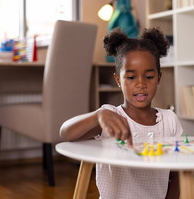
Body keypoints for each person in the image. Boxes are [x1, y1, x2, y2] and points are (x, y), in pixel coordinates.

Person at [60, 27, 183, 199]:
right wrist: (98, 115)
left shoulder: (169, 120)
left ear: (159, 78)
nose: (140, 84)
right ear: (118, 80)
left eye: (149, 77)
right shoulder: (109, 117)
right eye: (131, 77)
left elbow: (177, 173)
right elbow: (66, 133)